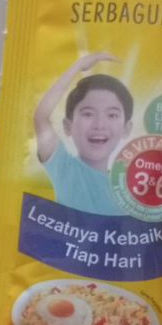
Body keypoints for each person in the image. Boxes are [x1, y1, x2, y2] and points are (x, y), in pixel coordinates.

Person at [34, 53, 133, 215]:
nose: (99, 125)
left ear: (126, 128)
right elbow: (41, 117)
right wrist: (77, 67)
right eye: (88, 114)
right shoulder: (64, 167)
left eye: (112, 115)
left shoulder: (129, 189)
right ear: (68, 126)